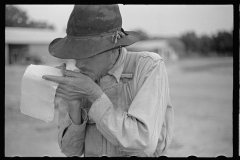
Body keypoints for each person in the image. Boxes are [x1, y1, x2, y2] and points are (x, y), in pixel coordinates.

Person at [42, 4, 174, 157]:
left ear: (113, 47)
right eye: (75, 54)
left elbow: (143, 144)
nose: (78, 64)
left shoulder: (148, 66)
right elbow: (70, 151)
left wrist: (94, 94)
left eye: (87, 53)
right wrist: (74, 105)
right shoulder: (78, 80)